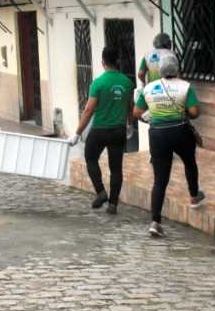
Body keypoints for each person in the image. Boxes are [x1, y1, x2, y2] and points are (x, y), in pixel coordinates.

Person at [132, 53, 205, 238]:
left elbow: (137, 112)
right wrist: (187, 112)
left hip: (157, 135)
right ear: (177, 68)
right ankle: (194, 196)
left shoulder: (149, 88)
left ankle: (155, 222)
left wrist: (151, 119)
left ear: (160, 70)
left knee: (160, 180)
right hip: (181, 131)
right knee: (189, 162)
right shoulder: (185, 86)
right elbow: (195, 112)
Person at [68, 45, 134, 214]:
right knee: (116, 168)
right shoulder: (127, 82)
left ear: (103, 62)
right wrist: (130, 124)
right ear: (117, 61)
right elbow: (129, 106)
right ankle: (113, 205)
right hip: (118, 130)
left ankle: (101, 192)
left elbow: (89, 110)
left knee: (90, 158)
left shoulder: (98, 83)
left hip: (99, 130)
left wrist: (77, 133)